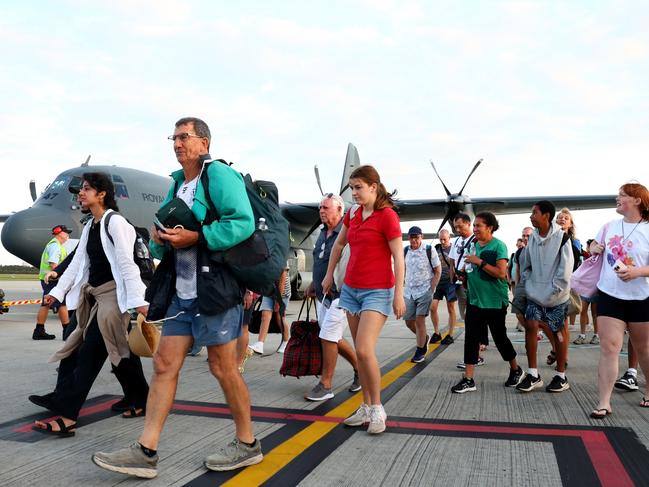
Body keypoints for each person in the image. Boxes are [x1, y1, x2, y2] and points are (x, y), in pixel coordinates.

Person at [93, 117, 262, 478]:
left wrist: (197, 238)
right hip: (181, 294)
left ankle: (248, 444)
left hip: (213, 291)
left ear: (204, 143)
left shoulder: (218, 176)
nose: (177, 143)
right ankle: (146, 450)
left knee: (223, 368)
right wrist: (160, 237)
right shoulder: (176, 184)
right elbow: (168, 235)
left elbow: (242, 222)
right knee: (164, 365)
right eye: (174, 137)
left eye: (184, 137)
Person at [31, 173, 150, 436]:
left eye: (86, 189)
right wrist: (58, 293)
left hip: (112, 300)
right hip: (94, 298)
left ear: (102, 194)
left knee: (88, 357)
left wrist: (139, 302)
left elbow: (126, 264)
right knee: (120, 352)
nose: (80, 194)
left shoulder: (116, 223)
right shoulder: (91, 226)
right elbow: (77, 264)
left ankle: (68, 417)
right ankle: (141, 399)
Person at [322, 165, 405, 435]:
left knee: (366, 351)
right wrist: (328, 274)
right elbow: (338, 244)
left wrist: (399, 294)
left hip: (377, 291)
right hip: (351, 290)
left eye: (358, 187)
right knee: (359, 351)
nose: (354, 193)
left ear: (373, 186)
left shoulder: (387, 216)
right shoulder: (353, 214)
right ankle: (366, 407)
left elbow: (398, 257)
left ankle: (378, 408)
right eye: (352, 187)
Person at [589, 183, 649, 418]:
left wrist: (638, 272)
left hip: (641, 297)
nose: (617, 198)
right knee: (609, 347)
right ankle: (604, 402)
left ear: (637, 200)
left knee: (644, 350)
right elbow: (594, 247)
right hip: (610, 294)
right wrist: (594, 247)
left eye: (622, 195)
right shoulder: (609, 226)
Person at [450, 212, 523, 393]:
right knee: (471, 339)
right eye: (474, 226)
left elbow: (500, 273)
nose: (474, 229)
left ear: (489, 227)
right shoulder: (472, 245)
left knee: (500, 339)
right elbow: (470, 269)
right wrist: (464, 275)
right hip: (475, 301)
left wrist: (479, 262)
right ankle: (468, 379)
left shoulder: (499, 246)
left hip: (495, 302)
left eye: (478, 226)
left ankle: (515, 369)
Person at [304, 193, 361, 401]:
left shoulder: (347, 234)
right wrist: (313, 283)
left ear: (340, 210)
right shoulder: (322, 233)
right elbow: (321, 261)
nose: (321, 211)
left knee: (327, 335)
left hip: (341, 294)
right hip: (323, 294)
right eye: (320, 207)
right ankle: (359, 369)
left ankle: (325, 384)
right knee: (334, 337)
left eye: (326, 208)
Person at [516, 200, 574, 393]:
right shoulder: (532, 238)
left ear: (546, 216)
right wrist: (528, 284)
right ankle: (533, 374)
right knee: (531, 326)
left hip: (556, 296)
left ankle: (560, 376)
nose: (531, 216)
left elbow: (565, 271)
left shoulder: (562, 238)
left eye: (534, 213)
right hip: (535, 293)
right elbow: (526, 265)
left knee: (558, 334)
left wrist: (554, 290)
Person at [403, 226, 441, 362]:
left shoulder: (429, 250)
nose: (414, 239)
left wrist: (432, 288)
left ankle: (420, 351)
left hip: (425, 290)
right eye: (411, 237)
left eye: (416, 237)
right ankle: (424, 337)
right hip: (409, 291)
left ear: (421, 237)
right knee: (409, 322)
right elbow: (402, 269)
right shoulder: (405, 250)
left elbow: (438, 270)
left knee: (420, 320)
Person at [33, 225, 73, 340]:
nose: (68, 235)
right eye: (66, 232)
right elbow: (53, 264)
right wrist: (62, 276)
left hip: (50, 280)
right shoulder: (55, 246)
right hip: (52, 280)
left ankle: (39, 331)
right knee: (58, 304)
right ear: (59, 233)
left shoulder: (56, 245)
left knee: (52, 304)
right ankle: (67, 332)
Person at [248, 265, 290, 354]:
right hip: (269, 291)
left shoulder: (281, 253)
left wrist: (278, 300)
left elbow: (283, 276)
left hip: (282, 292)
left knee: (279, 317)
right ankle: (260, 344)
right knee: (265, 315)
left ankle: (286, 342)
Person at [431, 229, 458, 344]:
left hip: (449, 282)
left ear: (449, 238)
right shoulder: (436, 249)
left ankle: (450, 334)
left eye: (444, 239)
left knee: (450, 308)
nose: (442, 241)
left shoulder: (454, 249)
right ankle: (437, 333)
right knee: (432, 307)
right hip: (438, 282)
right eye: (440, 239)